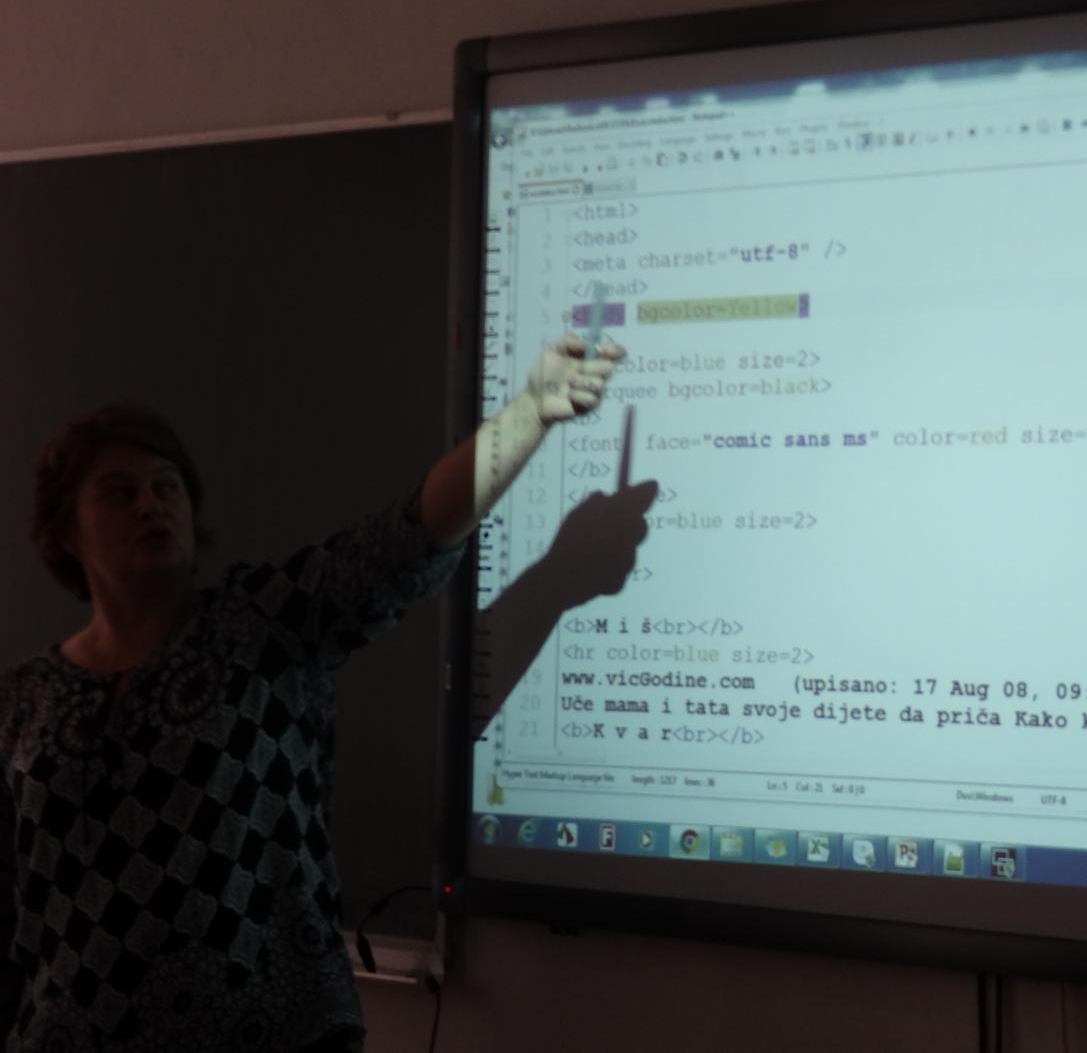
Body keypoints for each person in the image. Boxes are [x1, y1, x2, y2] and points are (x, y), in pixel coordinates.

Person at [0, 337, 641, 1052]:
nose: (151, 504)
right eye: (120, 492)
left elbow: (413, 535)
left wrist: (531, 412)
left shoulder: (264, 623)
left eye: (167, 485)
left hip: (273, 1034)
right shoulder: (24, 699)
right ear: (64, 531)